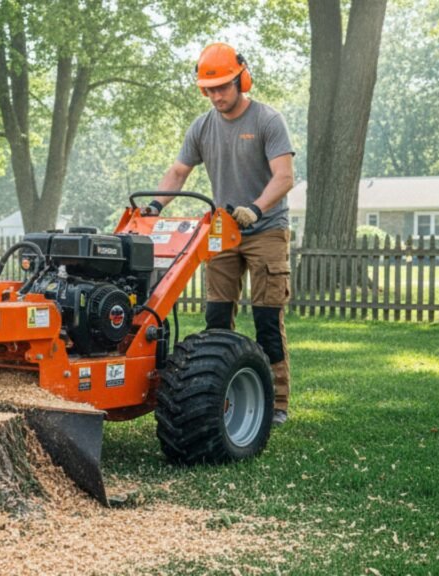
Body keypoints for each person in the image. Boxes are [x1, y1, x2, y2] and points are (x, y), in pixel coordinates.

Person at [145, 42, 295, 426]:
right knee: (215, 317)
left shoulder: (267, 120)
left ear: (242, 79)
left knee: (266, 320)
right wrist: (154, 207)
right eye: (209, 90)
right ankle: (218, 395)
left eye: (223, 87)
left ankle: (276, 404)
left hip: (266, 230)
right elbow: (179, 172)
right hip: (222, 231)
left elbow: (285, 177)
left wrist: (256, 209)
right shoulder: (202, 126)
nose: (216, 96)